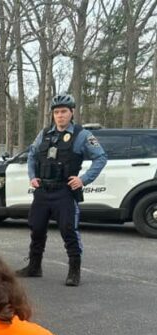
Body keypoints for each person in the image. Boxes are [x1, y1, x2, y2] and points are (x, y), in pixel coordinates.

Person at [17, 94, 107, 286]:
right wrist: (32, 176)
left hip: (64, 191)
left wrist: (83, 179)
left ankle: (74, 271)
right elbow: (32, 155)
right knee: (37, 228)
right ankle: (34, 267)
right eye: (56, 112)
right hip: (43, 191)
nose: (60, 116)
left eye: (64, 111)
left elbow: (101, 158)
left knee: (68, 230)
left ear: (72, 112)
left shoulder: (82, 135)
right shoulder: (44, 134)